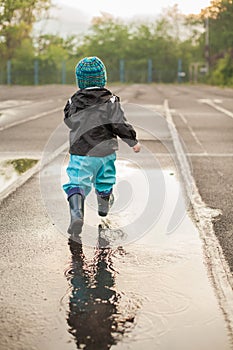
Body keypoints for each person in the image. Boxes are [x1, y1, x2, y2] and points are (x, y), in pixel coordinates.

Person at [63, 56, 140, 234]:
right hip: (105, 153)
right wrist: (132, 140)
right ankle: (104, 202)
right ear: (102, 78)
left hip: (80, 153)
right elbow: (119, 124)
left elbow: (69, 121)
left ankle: (76, 214)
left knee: (76, 183)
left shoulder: (73, 101)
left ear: (79, 80)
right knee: (104, 180)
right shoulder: (110, 100)